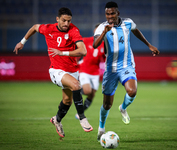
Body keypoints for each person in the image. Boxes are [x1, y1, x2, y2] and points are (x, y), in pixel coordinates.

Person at [13, 7, 93, 138]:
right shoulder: (48, 28)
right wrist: (22, 42)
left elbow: (83, 51)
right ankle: (82, 118)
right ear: (57, 19)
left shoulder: (74, 30)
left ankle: (57, 120)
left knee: (67, 101)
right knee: (76, 86)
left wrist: (63, 52)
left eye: (69, 21)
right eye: (64, 20)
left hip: (72, 70)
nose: (66, 24)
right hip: (56, 70)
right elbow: (34, 27)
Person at [93, 2, 160, 141]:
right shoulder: (101, 27)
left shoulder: (128, 23)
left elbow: (136, 31)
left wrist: (149, 45)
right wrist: (104, 32)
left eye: (112, 13)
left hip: (126, 66)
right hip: (111, 69)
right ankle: (101, 128)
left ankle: (123, 108)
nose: (110, 16)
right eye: (107, 14)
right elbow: (95, 45)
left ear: (118, 13)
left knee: (132, 91)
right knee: (107, 104)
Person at [75, 24, 105, 119]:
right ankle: (74, 90)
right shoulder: (86, 40)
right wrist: (75, 58)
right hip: (84, 69)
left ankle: (81, 113)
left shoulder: (105, 45)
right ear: (94, 32)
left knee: (92, 95)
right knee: (87, 91)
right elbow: (75, 46)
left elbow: (103, 60)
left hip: (95, 72)